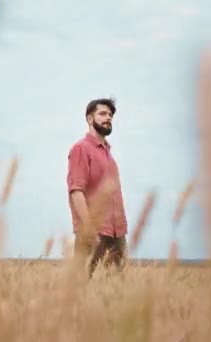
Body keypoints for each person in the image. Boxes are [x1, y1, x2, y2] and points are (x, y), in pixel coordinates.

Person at [66, 97, 128, 278]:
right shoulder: (81, 149)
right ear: (90, 119)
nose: (108, 117)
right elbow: (76, 190)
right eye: (102, 114)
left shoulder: (109, 155)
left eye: (110, 115)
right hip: (94, 233)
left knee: (116, 293)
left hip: (117, 234)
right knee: (82, 288)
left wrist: (121, 232)